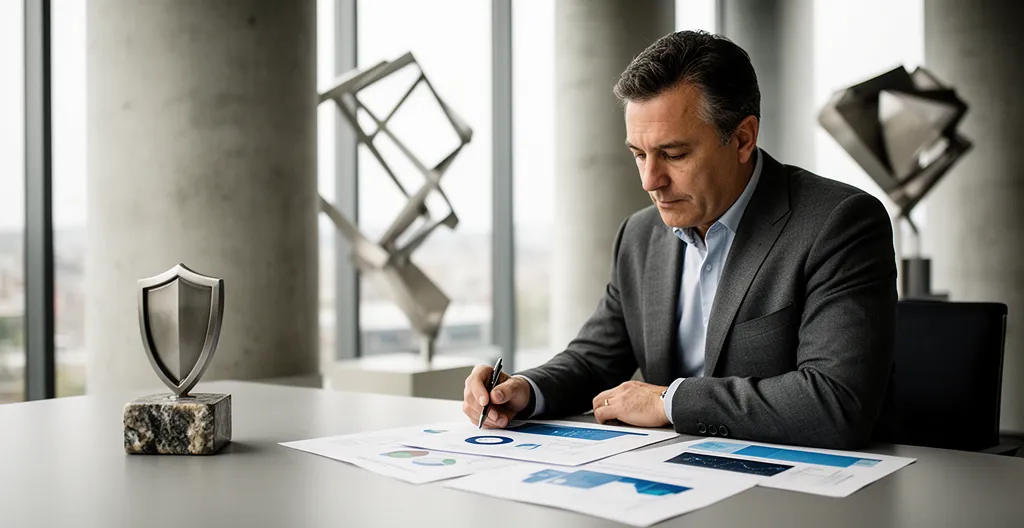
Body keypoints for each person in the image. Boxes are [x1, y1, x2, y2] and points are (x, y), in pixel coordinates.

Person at [462, 30, 896, 450]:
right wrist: (523, 388)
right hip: (665, 483)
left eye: (673, 154)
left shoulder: (838, 223)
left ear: (743, 138)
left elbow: (836, 402)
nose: (651, 181)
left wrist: (669, 401)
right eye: (639, 155)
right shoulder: (640, 234)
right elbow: (594, 359)